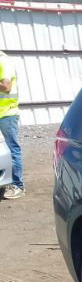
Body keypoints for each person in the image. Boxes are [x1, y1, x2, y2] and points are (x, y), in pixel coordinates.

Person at [0, 49, 24, 199]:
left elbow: (6, 87)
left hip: (7, 114)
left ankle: (18, 186)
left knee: (12, 149)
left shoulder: (4, 61)